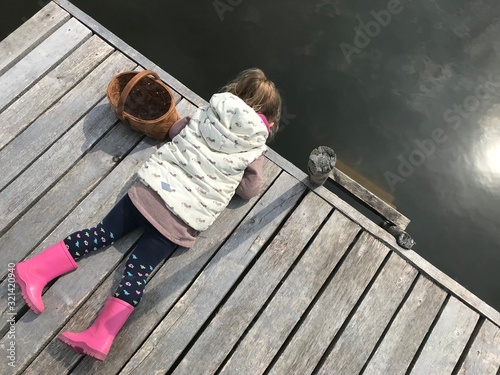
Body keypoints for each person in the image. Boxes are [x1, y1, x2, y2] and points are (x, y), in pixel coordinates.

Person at [14, 68, 281, 361]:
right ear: (268, 118)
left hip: (152, 190)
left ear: (237, 91)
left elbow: (176, 130)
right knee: (137, 273)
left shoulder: (210, 112)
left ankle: (35, 270)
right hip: (182, 218)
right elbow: (249, 189)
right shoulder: (255, 147)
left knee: (99, 235)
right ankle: (100, 336)